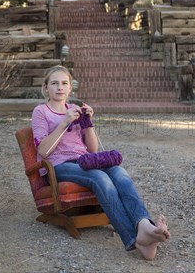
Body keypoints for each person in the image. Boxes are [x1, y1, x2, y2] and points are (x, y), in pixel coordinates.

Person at [31, 65, 171, 260]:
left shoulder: (74, 109)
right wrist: (64, 123)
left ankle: (144, 225)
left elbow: (93, 149)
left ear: (70, 88)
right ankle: (135, 238)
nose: (59, 87)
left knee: (119, 173)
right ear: (46, 88)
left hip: (84, 160)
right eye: (54, 83)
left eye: (64, 83)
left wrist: (89, 122)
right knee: (99, 178)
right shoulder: (41, 112)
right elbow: (43, 150)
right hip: (59, 165)